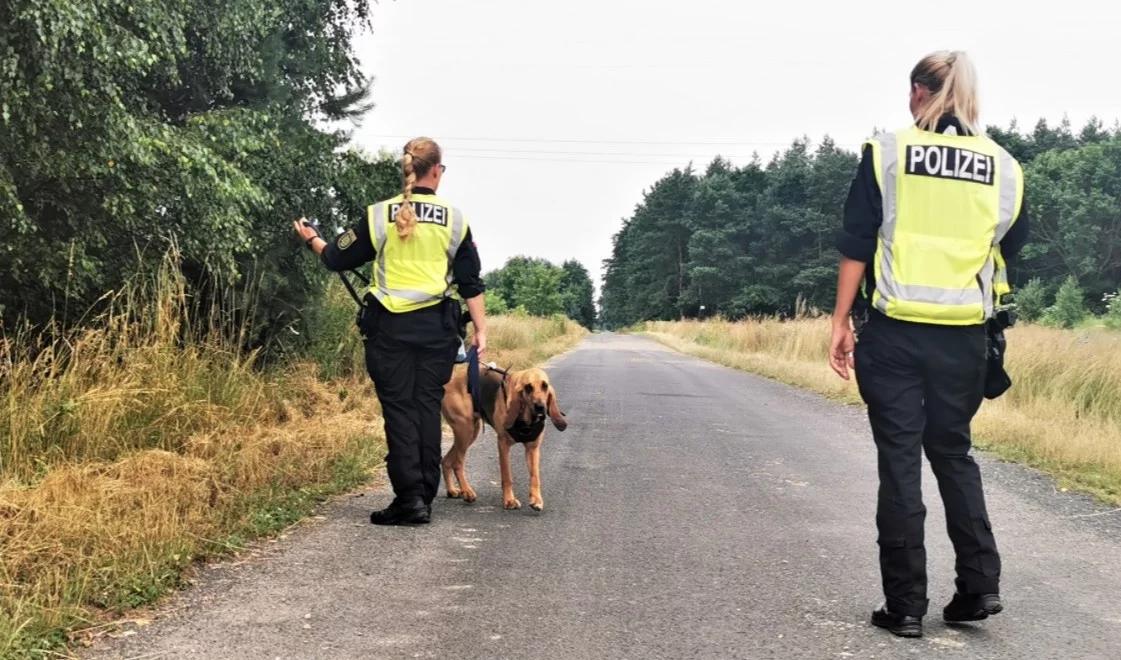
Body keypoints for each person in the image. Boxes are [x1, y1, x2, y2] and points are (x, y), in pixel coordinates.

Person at [828, 51, 1029, 638]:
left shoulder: (888, 152)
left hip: (894, 334)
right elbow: (1007, 249)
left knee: (900, 464)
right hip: (965, 340)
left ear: (919, 92)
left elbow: (857, 242)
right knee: (953, 453)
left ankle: (905, 607)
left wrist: (841, 320)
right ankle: (978, 588)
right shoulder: (1005, 167)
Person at [294, 137, 488, 526]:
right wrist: (481, 330)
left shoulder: (378, 215)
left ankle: (409, 499)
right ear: (436, 171)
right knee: (425, 411)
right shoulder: (455, 220)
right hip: (436, 332)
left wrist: (312, 238)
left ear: (407, 169)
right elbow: (470, 281)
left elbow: (335, 256)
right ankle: (424, 498)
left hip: (389, 333)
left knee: (399, 411)